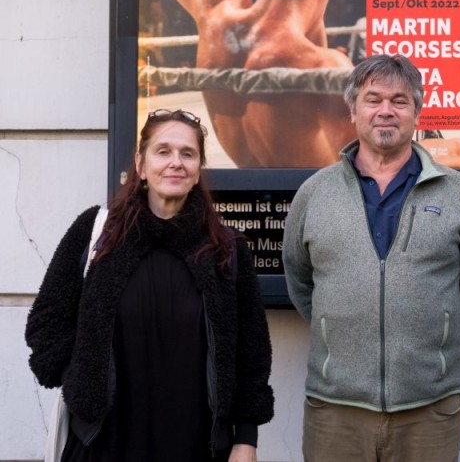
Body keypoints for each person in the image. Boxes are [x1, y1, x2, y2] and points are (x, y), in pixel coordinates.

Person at [282, 54, 460, 461]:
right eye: (373, 99)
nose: (386, 110)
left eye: (400, 101)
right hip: (335, 410)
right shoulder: (314, 194)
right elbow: (300, 280)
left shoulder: (458, 193)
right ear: (353, 110)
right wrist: (339, 335)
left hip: (429, 409)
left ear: (417, 111)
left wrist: (438, 340)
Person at [25, 109, 274, 462]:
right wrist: (81, 380)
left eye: (187, 154)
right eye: (163, 151)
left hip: (197, 445)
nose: (176, 163)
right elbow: (46, 324)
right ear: (141, 165)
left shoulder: (227, 250)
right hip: (102, 444)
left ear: (198, 168)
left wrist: (246, 438)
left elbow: (252, 353)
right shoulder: (95, 233)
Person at [143, 0, 354, 167]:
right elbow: (368, 178)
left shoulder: (217, 14)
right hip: (309, 200)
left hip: (245, 194)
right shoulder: (326, 68)